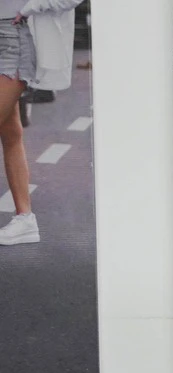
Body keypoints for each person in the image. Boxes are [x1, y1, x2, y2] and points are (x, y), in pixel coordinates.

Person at [0, 0, 84, 246]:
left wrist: (31, 7)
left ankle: (25, 220)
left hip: (11, 37)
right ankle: (25, 220)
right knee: (10, 131)